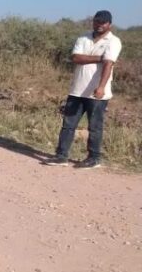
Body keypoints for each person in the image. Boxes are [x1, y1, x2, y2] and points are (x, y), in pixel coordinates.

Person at [44, 10, 122, 169]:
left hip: (97, 94)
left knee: (94, 127)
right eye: (97, 21)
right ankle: (61, 156)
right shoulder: (83, 37)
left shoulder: (113, 41)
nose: (99, 25)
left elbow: (108, 64)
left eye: (103, 22)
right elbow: (76, 58)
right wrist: (100, 58)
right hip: (77, 90)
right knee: (68, 124)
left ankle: (94, 158)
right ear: (93, 22)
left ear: (109, 24)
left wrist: (101, 87)